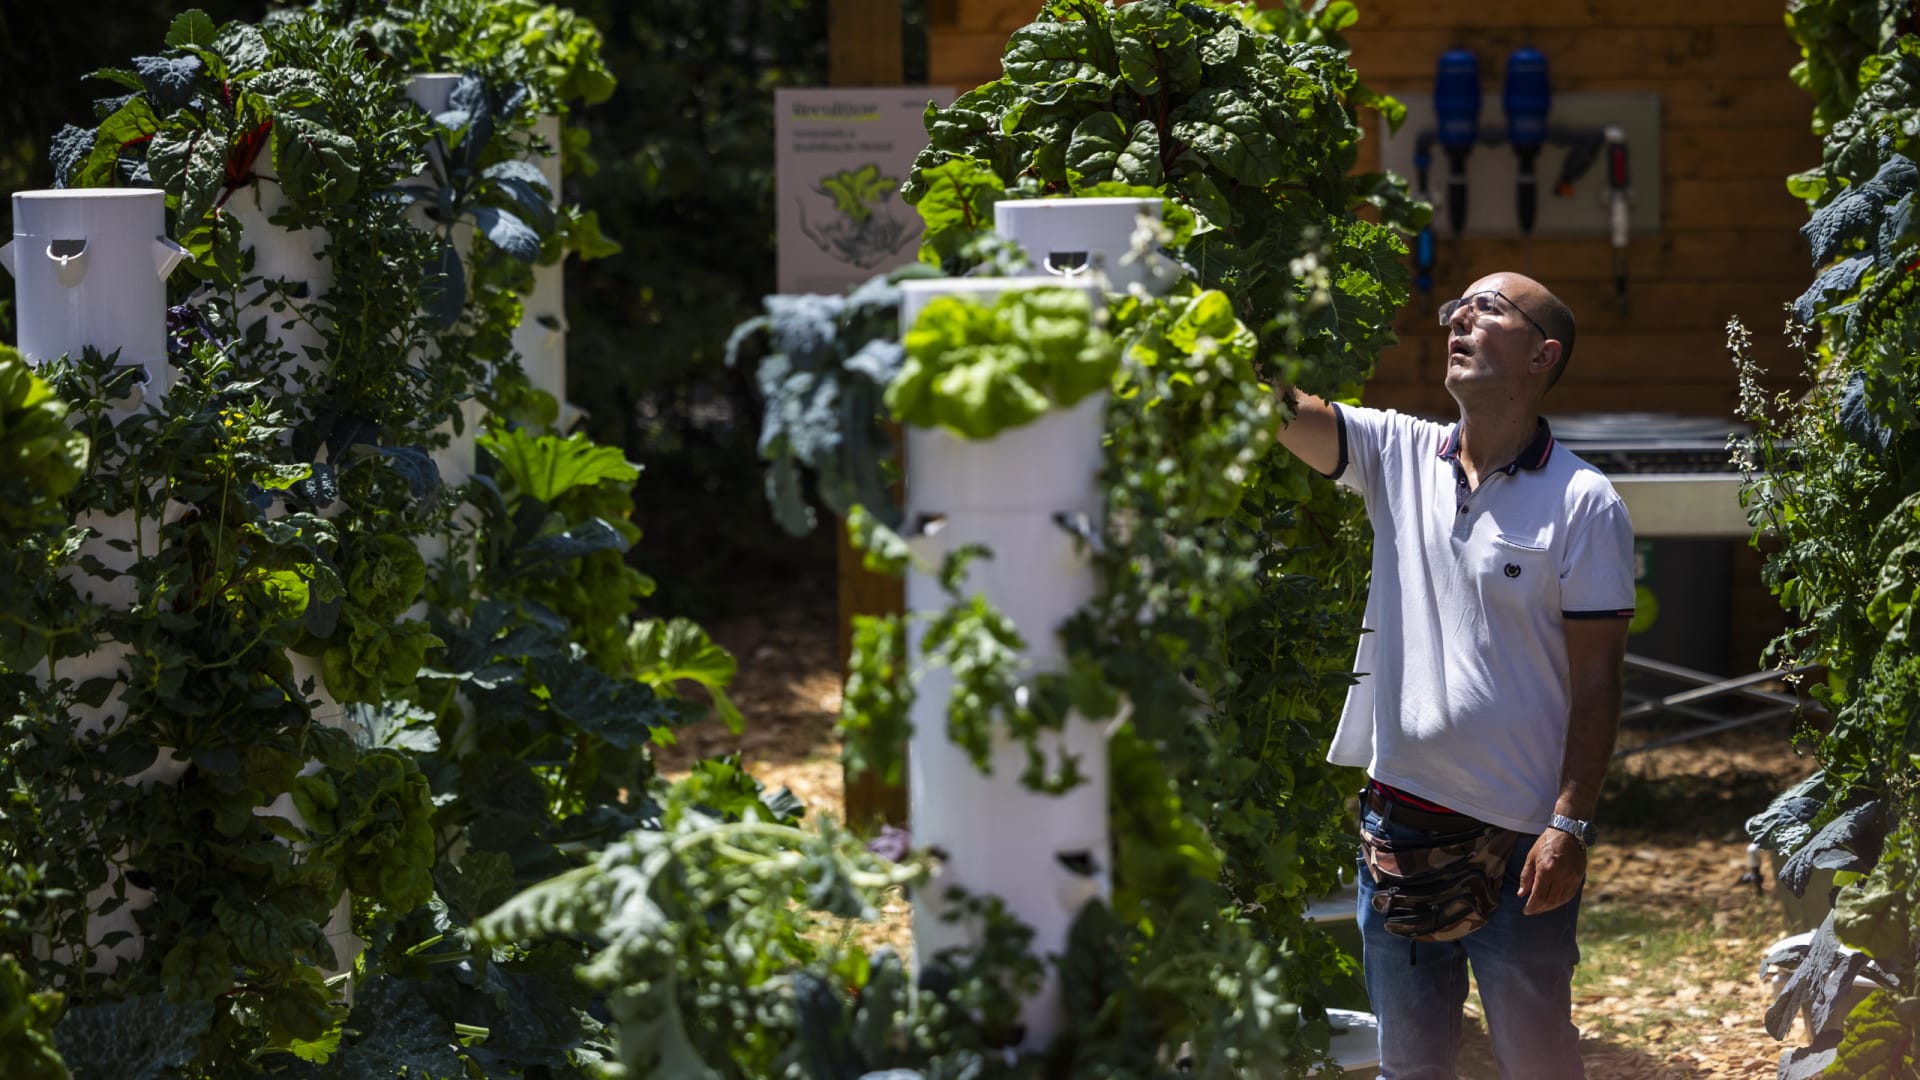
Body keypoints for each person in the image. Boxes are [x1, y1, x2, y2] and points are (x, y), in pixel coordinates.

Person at [1275, 272, 1634, 1078]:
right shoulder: (1399, 454)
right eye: (1455, 309)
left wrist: (1569, 826)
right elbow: (1282, 412)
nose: (1460, 319)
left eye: (1489, 308)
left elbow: (1600, 681)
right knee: (1412, 1070)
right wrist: (1208, 336)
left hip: (1521, 850)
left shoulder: (1583, 501)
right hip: (1397, 830)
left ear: (1543, 356)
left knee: (1538, 1065)